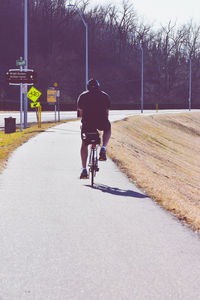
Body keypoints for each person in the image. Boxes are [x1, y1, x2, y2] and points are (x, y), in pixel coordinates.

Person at [77, 79, 111, 179]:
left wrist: (83, 124)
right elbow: (107, 112)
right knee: (108, 129)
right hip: (101, 121)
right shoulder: (105, 96)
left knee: (84, 144)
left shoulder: (83, 96)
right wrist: (105, 122)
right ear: (98, 87)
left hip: (88, 123)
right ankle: (103, 148)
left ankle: (84, 170)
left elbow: (81, 112)